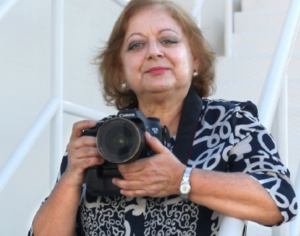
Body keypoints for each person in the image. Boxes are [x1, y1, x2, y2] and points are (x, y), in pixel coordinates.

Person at [28, 0, 297, 235]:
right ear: (121, 70)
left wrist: (182, 178)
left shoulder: (232, 121)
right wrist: (72, 177)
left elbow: (280, 199)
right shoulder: (101, 137)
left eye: (168, 40)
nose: (154, 52)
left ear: (195, 60)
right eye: (136, 45)